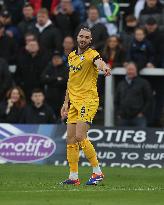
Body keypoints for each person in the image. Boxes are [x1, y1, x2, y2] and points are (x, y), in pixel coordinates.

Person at [60, 28, 111, 185]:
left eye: (87, 37)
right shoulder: (72, 56)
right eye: (81, 36)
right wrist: (65, 102)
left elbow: (99, 62)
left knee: (80, 136)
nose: (83, 39)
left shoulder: (92, 55)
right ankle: (73, 177)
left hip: (87, 100)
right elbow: (71, 81)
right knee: (70, 139)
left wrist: (105, 67)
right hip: (74, 102)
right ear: (77, 38)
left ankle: (97, 172)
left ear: (90, 41)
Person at [114, 62, 153, 127]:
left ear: (136, 70)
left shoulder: (143, 83)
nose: (130, 71)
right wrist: (118, 113)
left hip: (138, 118)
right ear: (126, 70)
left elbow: (149, 100)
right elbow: (116, 100)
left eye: (132, 69)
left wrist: (142, 113)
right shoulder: (121, 84)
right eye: (129, 69)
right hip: (123, 118)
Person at [41, 50, 68, 120]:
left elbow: (66, 81)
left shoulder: (66, 68)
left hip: (62, 97)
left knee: (62, 116)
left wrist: (50, 80)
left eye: (58, 58)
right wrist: (56, 79)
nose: (56, 60)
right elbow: (43, 79)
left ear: (61, 59)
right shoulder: (48, 68)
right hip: (50, 98)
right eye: (54, 58)